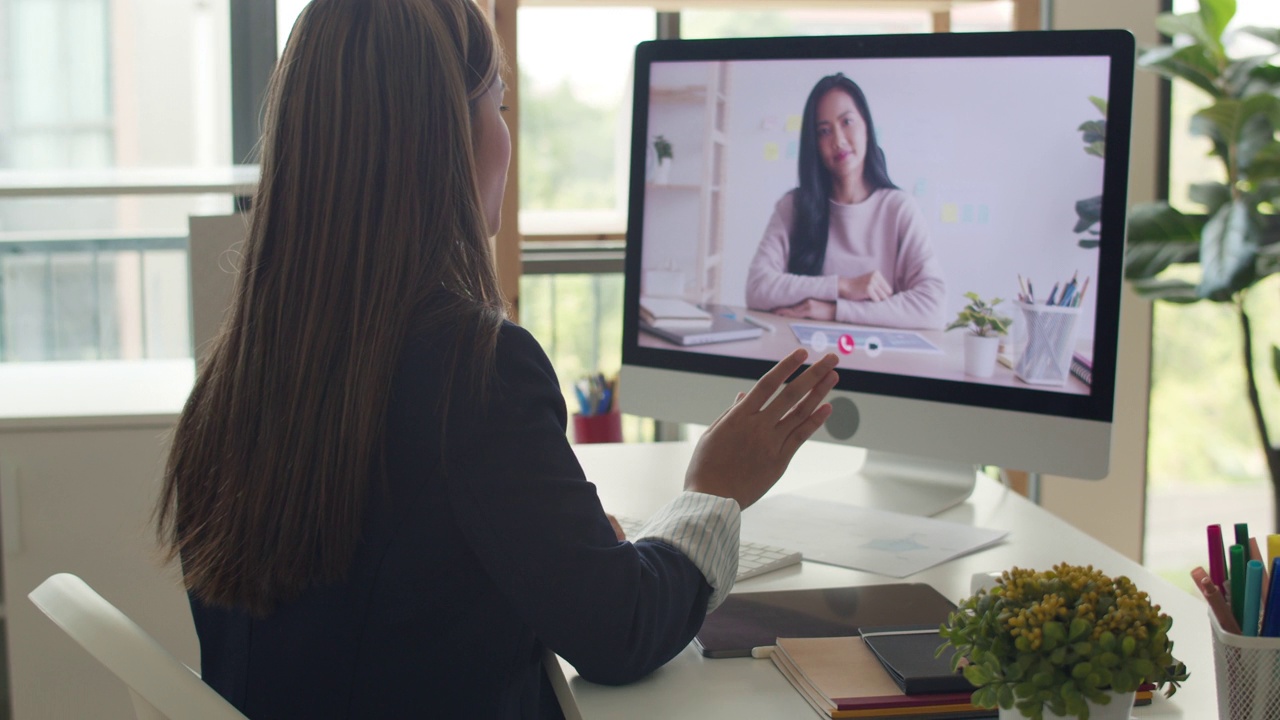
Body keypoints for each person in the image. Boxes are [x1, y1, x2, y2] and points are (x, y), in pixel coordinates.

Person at [153, 1, 841, 718]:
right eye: (500, 103)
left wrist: (557, 552)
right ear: (443, 137)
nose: (508, 135)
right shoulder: (474, 372)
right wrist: (712, 491)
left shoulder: (238, 372)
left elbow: (391, 585)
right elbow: (621, 631)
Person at [745, 73, 945, 330]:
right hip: (801, 357)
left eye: (847, 122)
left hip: (876, 360)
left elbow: (933, 307)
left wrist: (835, 310)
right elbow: (757, 287)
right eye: (824, 131)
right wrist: (842, 286)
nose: (838, 140)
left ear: (866, 128)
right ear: (814, 143)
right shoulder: (793, 207)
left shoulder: (899, 209)